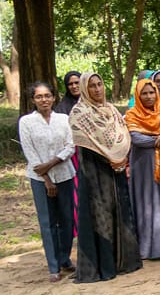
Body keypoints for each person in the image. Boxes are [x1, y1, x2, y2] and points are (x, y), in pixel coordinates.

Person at [69, 71, 142, 282]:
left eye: (99, 84)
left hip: (116, 170)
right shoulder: (79, 114)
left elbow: (122, 136)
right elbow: (90, 145)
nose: (97, 89)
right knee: (99, 216)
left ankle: (124, 261)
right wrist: (110, 157)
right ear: (85, 89)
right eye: (92, 86)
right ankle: (103, 267)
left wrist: (120, 158)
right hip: (94, 173)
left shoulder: (112, 110)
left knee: (118, 211)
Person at [19, 81, 76, 281]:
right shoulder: (26, 122)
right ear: (33, 100)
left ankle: (65, 258)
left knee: (67, 219)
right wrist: (46, 179)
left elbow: (70, 146)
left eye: (47, 96)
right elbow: (31, 153)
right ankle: (54, 266)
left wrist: (51, 163)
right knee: (48, 222)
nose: (44, 100)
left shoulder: (63, 119)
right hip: (39, 178)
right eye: (39, 97)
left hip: (65, 174)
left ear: (54, 97)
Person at [124, 77, 160, 261]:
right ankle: (146, 248)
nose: (149, 96)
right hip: (142, 165)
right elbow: (136, 139)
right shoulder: (132, 114)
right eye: (144, 93)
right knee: (146, 203)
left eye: (151, 92)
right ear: (138, 95)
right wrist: (159, 140)